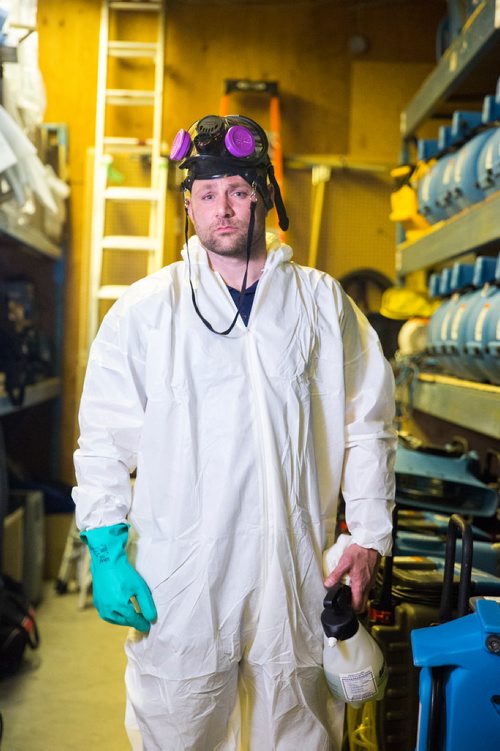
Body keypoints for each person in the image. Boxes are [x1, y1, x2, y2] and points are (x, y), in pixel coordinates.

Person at [73, 114, 396, 751]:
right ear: (187, 204)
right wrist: (107, 548)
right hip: (183, 573)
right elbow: (104, 440)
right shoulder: (146, 311)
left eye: (239, 191)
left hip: (296, 576)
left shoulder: (321, 305)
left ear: (266, 196)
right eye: (206, 193)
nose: (223, 209)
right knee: (178, 725)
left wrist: (367, 537)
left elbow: (371, 425)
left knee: (299, 730)